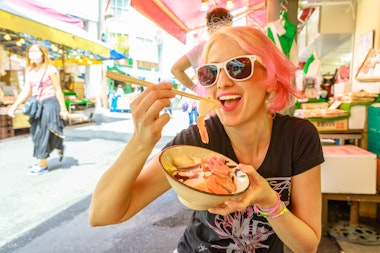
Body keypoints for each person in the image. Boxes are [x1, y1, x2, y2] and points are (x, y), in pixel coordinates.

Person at [89, 26, 324, 252]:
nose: (221, 82)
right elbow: (103, 213)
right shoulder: (197, 140)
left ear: (270, 80)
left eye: (238, 67)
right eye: (209, 73)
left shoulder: (298, 137)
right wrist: (141, 142)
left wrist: (269, 201)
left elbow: (307, 245)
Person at [8, 44, 68, 176]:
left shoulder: (51, 69)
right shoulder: (29, 70)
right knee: (35, 133)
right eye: (31, 52)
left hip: (50, 103)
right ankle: (58, 145)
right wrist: (15, 105)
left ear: (43, 53)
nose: (33, 54)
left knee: (43, 133)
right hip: (38, 105)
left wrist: (63, 109)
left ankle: (43, 165)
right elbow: (26, 90)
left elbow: (58, 90)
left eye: (36, 51)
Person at [171, 7, 233, 96]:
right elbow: (175, 69)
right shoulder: (202, 48)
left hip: (213, 99)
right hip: (212, 101)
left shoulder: (233, 45)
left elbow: (176, 69)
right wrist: (196, 89)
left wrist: (197, 89)